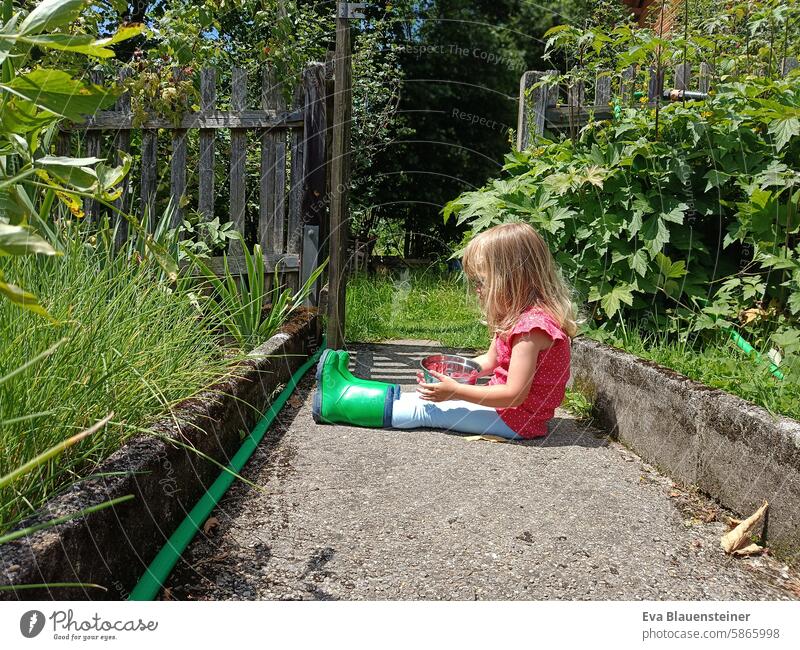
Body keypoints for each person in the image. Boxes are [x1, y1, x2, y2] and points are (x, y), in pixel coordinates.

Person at [312, 222, 578, 440]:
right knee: (423, 397)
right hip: (511, 413)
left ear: (511, 279)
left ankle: (341, 404)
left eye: (482, 282)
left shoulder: (532, 329)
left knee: (429, 410)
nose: (477, 289)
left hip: (518, 420)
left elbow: (513, 395)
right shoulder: (521, 317)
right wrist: (453, 373)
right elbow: (489, 361)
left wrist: (456, 392)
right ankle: (356, 389)